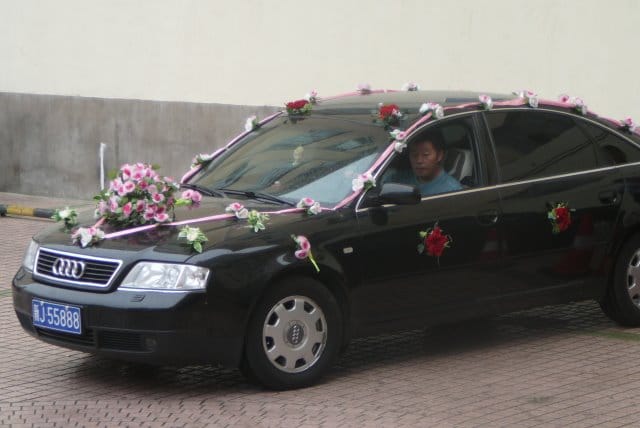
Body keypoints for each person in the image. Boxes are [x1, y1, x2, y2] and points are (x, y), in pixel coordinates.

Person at [385, 133, 462, 196]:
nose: (419, 160)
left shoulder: (451, 190)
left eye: (426, 154)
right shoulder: (398, 179)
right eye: (414, 155)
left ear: (439, 156)